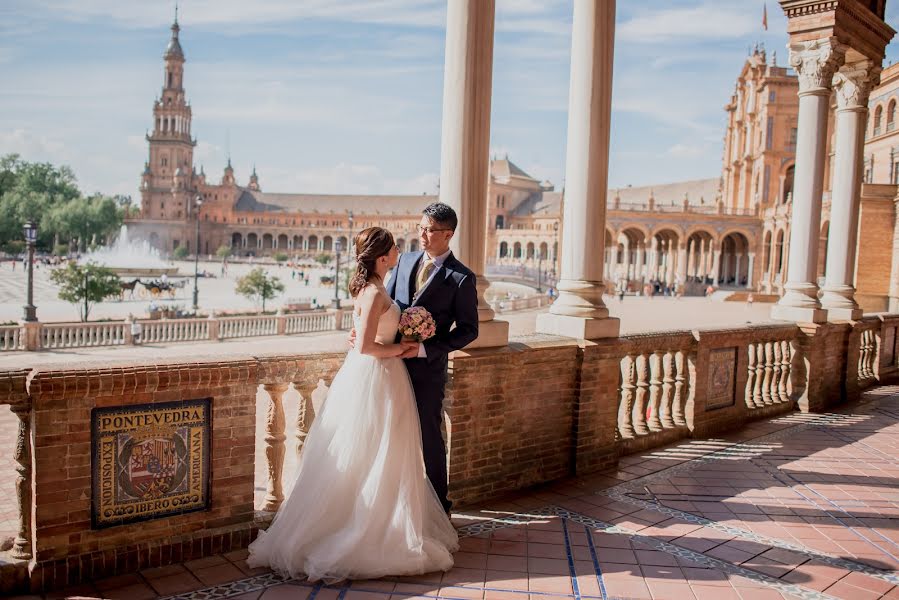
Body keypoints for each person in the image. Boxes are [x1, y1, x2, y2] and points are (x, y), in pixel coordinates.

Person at [248, 227, 458, 582]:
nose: (399, 252)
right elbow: (364, 346)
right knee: (378, 452)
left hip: (377, 377)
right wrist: (402, 349)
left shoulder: (369, 288)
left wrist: (397, 336)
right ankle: (370, 532)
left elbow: (362, 334)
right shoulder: (375, 292)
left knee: (378, 455)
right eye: (393, 249)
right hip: (379, 375)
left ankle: (381, 522)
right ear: (382, 257)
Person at [385, 202, 480, 514]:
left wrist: (426, 348)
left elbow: (468, 330)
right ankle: (395, 503)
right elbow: (385, 304)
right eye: (420, 227)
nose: (422, 235)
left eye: (430, 230)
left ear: (448, 234)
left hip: (427, 371)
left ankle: (440, 507)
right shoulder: (404, 261)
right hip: (391, 365)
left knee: (430, 436)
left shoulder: (461, 278)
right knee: (391, 432)